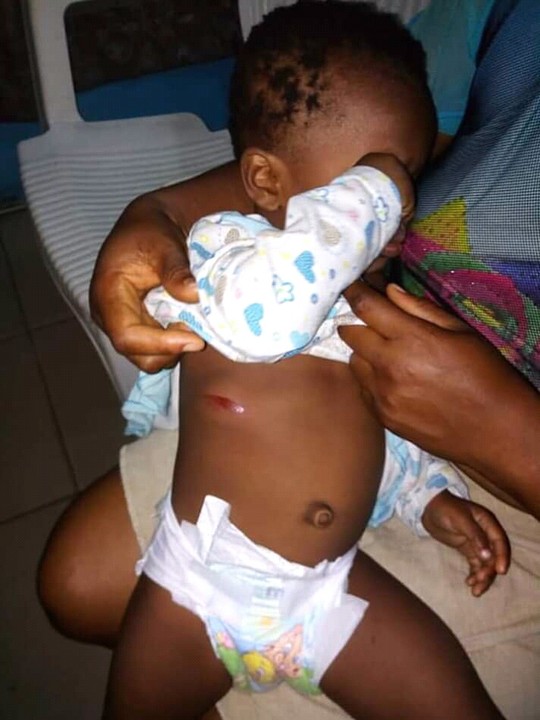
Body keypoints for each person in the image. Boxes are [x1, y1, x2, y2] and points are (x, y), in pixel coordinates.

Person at [38, 1, 540, 718]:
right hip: (198, 585)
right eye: (377, 181)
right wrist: (376, 192)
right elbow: (273, 317)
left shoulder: (360, 295)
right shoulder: (224, 255)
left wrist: (424, 497)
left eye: (408, 181)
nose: (400, 206)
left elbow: (383, 423)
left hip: (326, 594)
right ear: (267, 182)